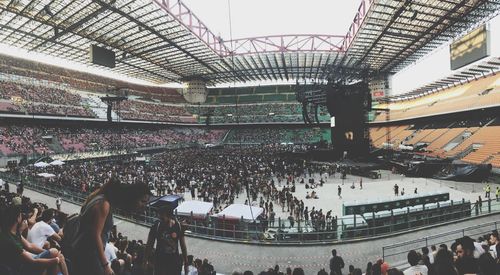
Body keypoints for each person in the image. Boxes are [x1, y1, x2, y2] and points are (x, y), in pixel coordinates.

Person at [71, 178, 151, 275]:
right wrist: (105, 265)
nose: (144, 205)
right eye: (142, 201)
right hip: (87, 255)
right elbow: (96, 235)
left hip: (84, 253)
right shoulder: (104, 204)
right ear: (133, 197)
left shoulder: (102, 200)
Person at [0, 204, 68, 275]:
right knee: (56, 255)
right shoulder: (11, 240)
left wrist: (48, 252)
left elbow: (29, 246)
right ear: (17, 218)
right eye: (20, 215)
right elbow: (32, 262)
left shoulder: (12, 232)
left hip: (23, 260)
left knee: (54, 252)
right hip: (21, 267)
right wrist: (56, 260)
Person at [144, 204, 189, 275]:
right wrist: (145, 260)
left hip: (174, 262)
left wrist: (186, 264)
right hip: (160, 262)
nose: (160, 219)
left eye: (162, 218)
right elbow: (149, 244)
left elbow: (183, 246)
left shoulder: (178, 226)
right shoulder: (156, 226)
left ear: (170, 217)